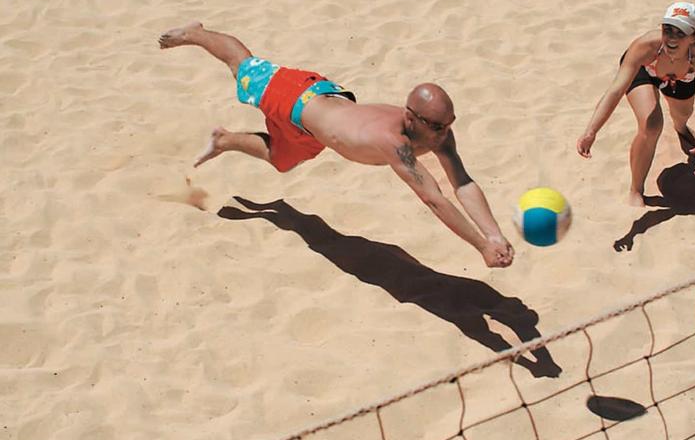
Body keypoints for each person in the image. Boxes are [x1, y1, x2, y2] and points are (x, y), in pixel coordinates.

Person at [158, 22, 515, 267]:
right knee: (243, 65)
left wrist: (495, 235)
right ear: (412, 118)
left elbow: (463, 183)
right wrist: (481, 246)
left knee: (282, 162)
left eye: (448, 125)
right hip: (294, 98)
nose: (443, 134)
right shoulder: (393, 141)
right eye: (437, 126)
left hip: (321, 111)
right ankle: (196, 32)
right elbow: (435, 198)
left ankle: (224, 140)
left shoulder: (437, 130)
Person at [576, 2, 695, 207]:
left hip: (680, 77)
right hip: (645, 70)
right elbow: (615, 91)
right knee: (652, 124)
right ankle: (636, 189)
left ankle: (681, 129)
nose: (672, 37)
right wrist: (591, 131)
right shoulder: (645, 47)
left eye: (680, 32)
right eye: (667, 29)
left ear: (694, 37)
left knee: (683, 114)